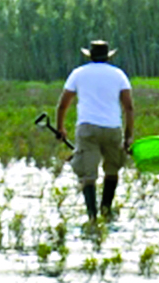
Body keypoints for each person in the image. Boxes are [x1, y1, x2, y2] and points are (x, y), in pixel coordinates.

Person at [55, 39, 136, 221]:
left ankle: (92, 216)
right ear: (107, 56)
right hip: (113, 128)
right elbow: (129, 108)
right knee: (112, 170)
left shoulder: (78, 73)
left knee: (88, 174)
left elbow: (63, 105)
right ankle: (106, 209)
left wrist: (61, 128)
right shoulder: (119, 75)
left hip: (87, 128)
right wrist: (128, 136)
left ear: (90, 56)